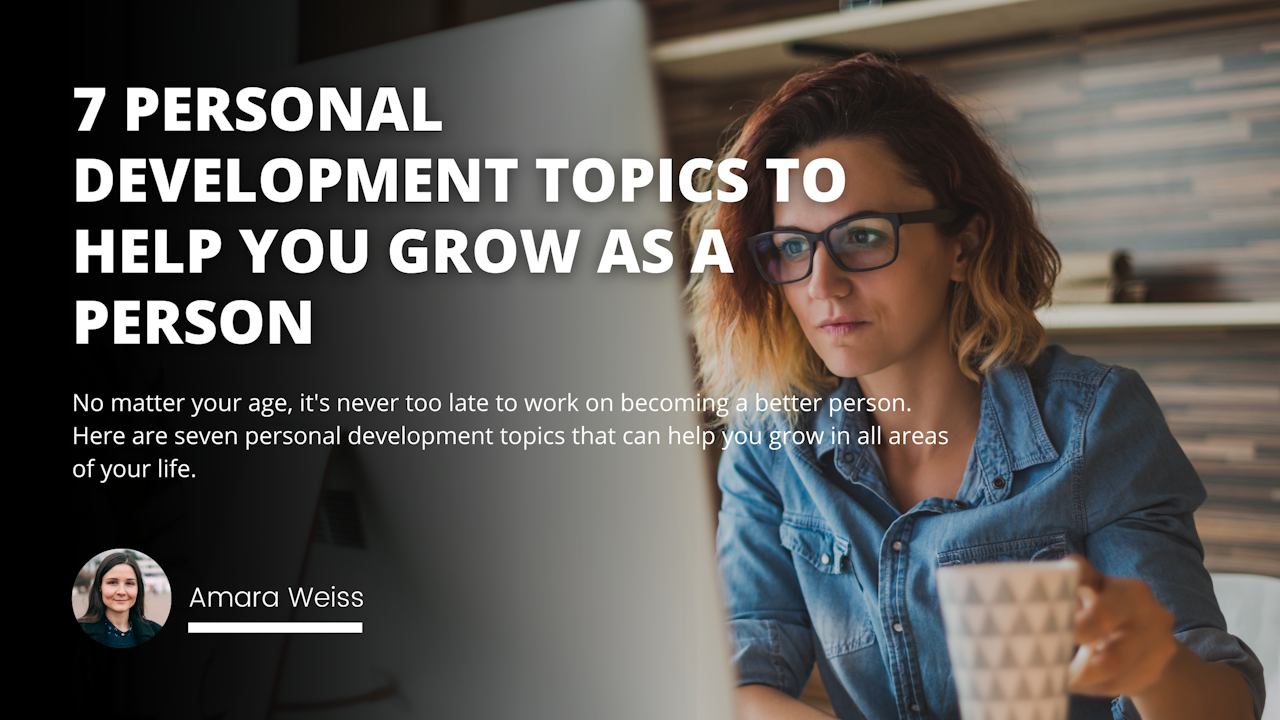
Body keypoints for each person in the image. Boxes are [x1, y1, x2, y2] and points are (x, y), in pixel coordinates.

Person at [685, 55, 1264, 720]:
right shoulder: (774, 439)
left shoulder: (1094, 422)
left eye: (864, 236)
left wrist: (1154, 663)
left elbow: (1226, 707)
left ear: (965, 244)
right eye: (791, 248)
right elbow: (739, 680)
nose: (822, 284)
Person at [78, 552, 163, 648]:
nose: (121, 592)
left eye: (129, 583)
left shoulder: (157, 631)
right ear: (99, 586)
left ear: (138, 588)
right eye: (113, 582)